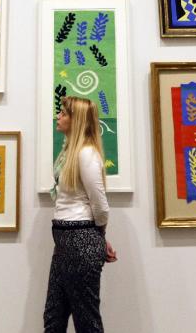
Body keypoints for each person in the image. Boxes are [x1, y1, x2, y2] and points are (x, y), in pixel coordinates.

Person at [43, 96, 117, 333]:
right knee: (54, 317)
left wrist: (98, 236)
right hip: (65, 241)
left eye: (63, 114)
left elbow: (100, 206)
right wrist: (99, 238)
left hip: (79, 241)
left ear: (76, 120)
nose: (59, 116)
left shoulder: (86, 155)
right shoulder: (69, 153)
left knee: (86, 321)